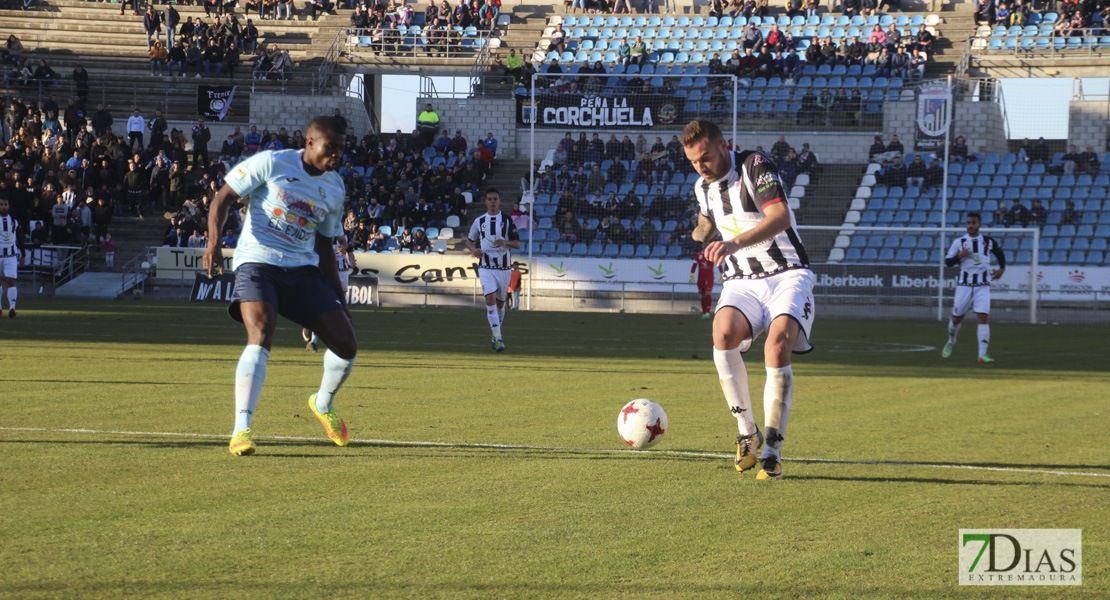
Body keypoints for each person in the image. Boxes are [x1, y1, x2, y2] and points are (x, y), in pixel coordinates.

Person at [202, 115, 357, 456]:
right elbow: (223, 198)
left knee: (346, 345)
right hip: (258, 262)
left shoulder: (334, 187)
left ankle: (323, 404)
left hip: (302, 270)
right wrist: (213, 243)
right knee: (261, 331)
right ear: (310, 142)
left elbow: (325, 246)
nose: (337, 155)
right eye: (331, 147)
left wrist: (340, 300)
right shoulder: (272, 162)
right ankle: (241, 429)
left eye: (342, 148)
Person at [681, 119, 814, 481]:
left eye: (706, 157)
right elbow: (707, 220)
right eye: (694, 161)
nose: (701, 166)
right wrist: (700, 231)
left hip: (787, 273)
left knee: (777, 345)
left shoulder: (755, 166)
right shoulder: (702, 187)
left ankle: (773, 450)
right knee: (722, 333)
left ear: (724, 145)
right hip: (742, 281)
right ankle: (746, 432)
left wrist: (733, 243)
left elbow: (780, 215)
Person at [942, 212, 1005, 363]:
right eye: (969, 223)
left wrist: (1002, 268)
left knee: (983, 317)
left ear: (979, 225)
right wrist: (960, 256)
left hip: (982, 286)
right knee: (956, 319)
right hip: (964, 286)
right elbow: (948, 262)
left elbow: (999, 252)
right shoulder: (959, 242)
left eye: (974, 223)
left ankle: (982, 354)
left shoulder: (988, 241)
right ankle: (951, 341)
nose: (971, 225)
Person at [465, 188, 520, 352]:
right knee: (490, 301)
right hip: (486, 267)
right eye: (489, 199)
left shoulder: (508, 220)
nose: (492, 202)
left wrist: (505, 242)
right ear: (486, 202)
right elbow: (469, 241)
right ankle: (498, 338)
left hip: (503, 268)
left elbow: (517, 243)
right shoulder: (479, 221)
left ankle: (495, 333)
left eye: (495, 199)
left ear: (500, 201)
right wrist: (474, 251)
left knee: (501, 304)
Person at [302, 234, 356, 353]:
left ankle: (325, 341)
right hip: (326, 269)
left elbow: (349, 248)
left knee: (340, 306)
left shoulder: (343, 232)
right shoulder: (322, 232)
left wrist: (351, 258)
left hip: (342, 270)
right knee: (322, 303)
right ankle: (310, 332)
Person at [0, 198, 23, 318]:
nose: (3, 207)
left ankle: (12, 308)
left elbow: (20, 237)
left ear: (9, 206)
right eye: (1, 205)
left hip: (10, 256)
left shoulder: (14, 220)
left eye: (5, 204)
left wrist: (22, 252)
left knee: (11, 281)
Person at [689, 249, 722, 320]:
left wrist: (722, 273)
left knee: (708, 293)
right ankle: (704, 313)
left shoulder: (712, 253)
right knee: (703, 295)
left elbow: (718, 263)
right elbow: (694, 265)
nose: (705, 244)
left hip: (709, 277)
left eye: (707, 243)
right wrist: (691, 274)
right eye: (704, 243)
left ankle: (707, 312)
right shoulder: (698, 254)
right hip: (700, 277)